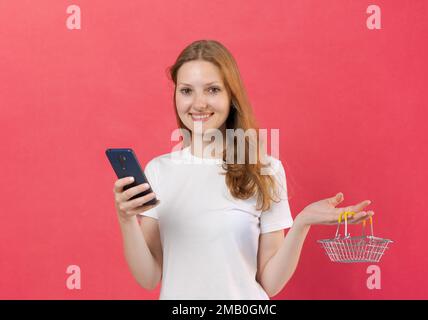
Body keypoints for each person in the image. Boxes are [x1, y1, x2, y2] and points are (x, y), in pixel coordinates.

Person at [112, 40, 374, 299]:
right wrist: (126, 219)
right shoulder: (159, 171)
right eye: (186, 90)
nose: (198, 103)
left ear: (231, 96)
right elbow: (149, 278)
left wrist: (302, 222)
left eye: (213, 90)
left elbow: (270, 283)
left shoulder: (265, 169)